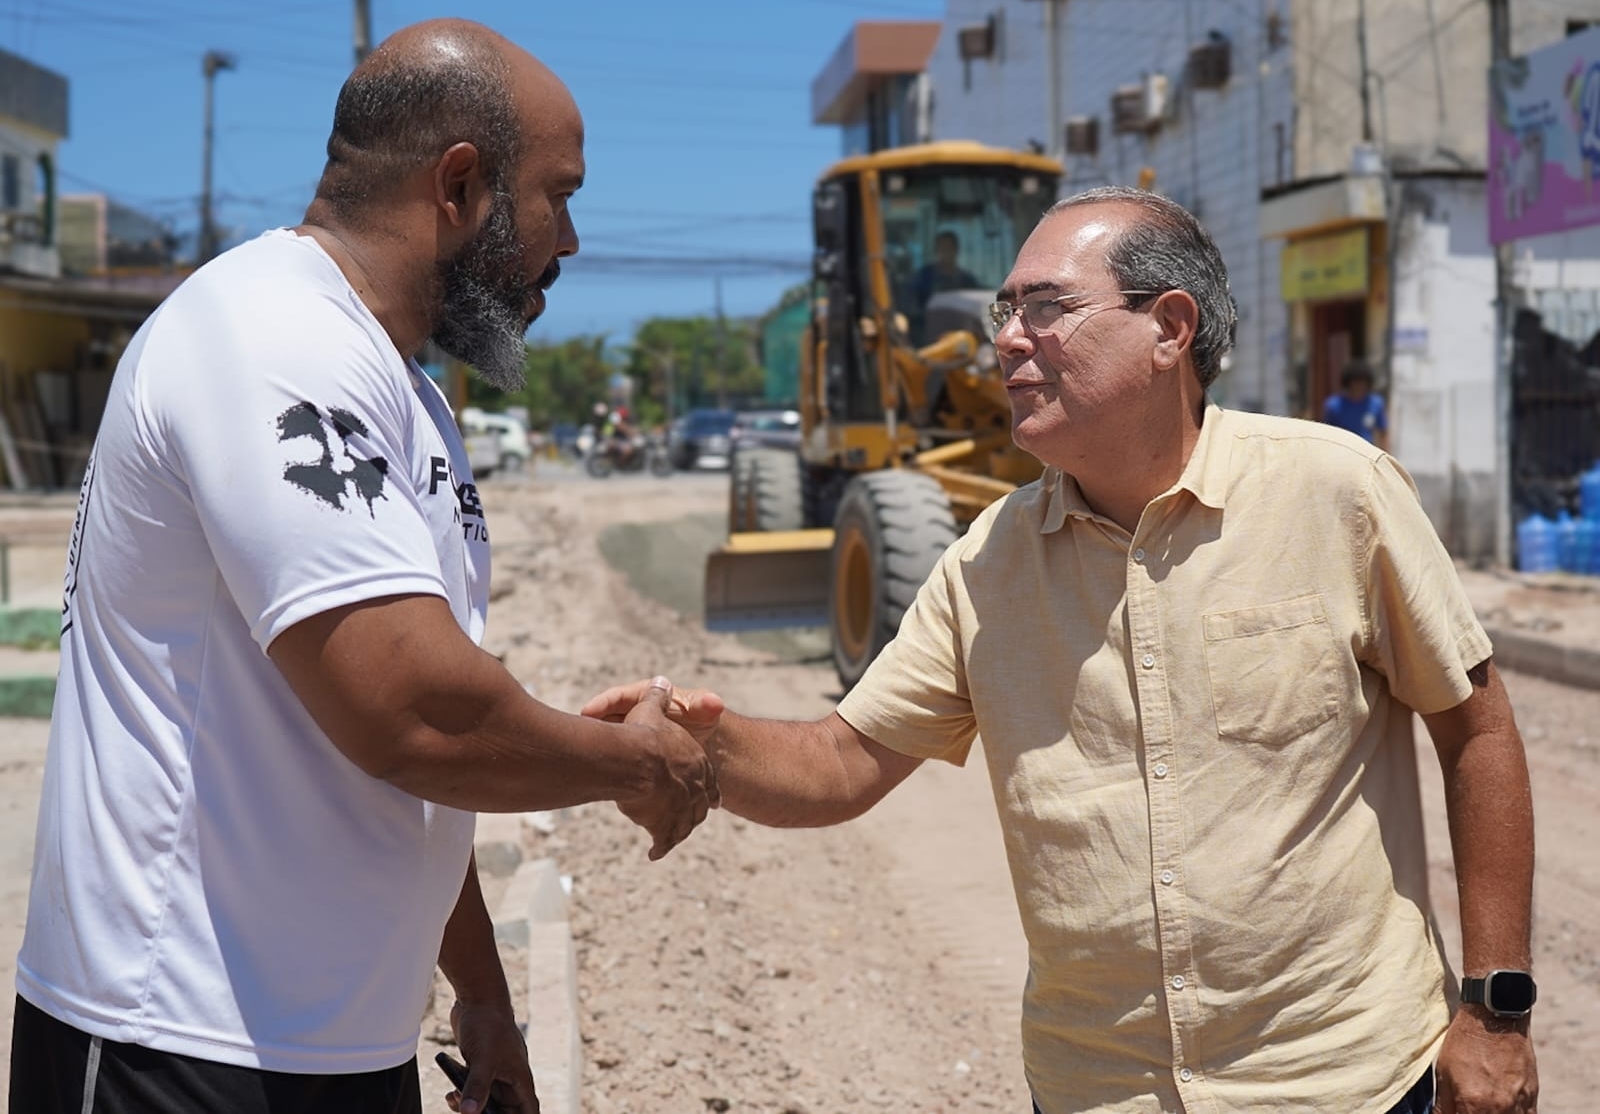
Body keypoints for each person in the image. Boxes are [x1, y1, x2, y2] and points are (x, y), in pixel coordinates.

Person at [589, 188, 1538, 1113]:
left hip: (1349, 1081)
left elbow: (1477, 730)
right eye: (1008, 309)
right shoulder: (985, 566)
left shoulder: (1337, 492)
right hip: (1095, 1089)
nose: (1006, 338)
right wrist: (697, 745)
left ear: (1170, 327)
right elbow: (840, 762)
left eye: (1046, 308)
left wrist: (1495, 1012)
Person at [13, 20, 717, 1114]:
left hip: (338, 1045)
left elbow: (408, 770)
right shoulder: (267, 335)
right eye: (559, 195)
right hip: (181, 1041)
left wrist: (479, 993)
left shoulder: (403, 392)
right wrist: (636, 763)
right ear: (461, 187)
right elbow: (416, 713)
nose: (569, 241)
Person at [1323, 358, 1390, 448]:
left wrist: (1385, 455)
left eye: (1363, 382)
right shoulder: (1334, 405)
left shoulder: (1375, 403)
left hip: (1367, 452)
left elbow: (1383, 432)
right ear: (1348, 383)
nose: (1359, 386)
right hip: (1342, 450)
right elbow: (1326, 433)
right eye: (1355, 382)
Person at [912, 229, 980, 306]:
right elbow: (912, 306)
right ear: (936, 250)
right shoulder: (923, 277)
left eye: (949, 248)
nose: (946, 252)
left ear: (956, 250)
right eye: (942, 248)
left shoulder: (968, 280)